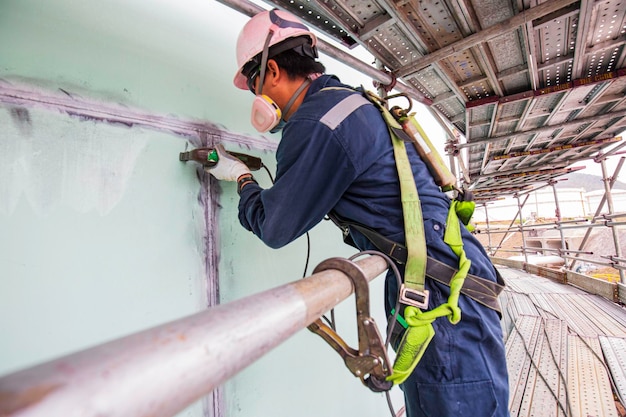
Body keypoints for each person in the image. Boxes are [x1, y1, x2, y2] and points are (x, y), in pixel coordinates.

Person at [207, 8, 510, 417]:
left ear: (272, 71)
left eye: (253, 85)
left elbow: (274, 226)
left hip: (438, 289)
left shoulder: (315, 123)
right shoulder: (350, 103)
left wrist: (242, 179)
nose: (256, 97)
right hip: (438, 276)